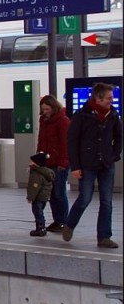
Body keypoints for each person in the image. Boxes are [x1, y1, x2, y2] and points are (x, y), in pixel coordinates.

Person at [62, 83, 122, 249]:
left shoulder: (113, 114)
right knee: (84, 198)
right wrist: (75, 166)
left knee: (107, 202)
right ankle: (69, 225)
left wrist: (114, 154)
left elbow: (119, 135)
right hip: (87, 164)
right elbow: (72, 141)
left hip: (106, 164)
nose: (112, 100)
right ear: (98, 98)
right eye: (109, 98)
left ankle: (104, 237)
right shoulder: (81, 115)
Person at [36, 94, 71, 231]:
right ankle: (57, 220)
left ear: (53, 107)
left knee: (59, 192)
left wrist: (64, 161)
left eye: (47, 109)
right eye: (43, 109)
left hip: (59, 163)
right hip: (47, 162)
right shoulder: (43, 120)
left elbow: (65, 143)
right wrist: (38, 158)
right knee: (51, 193)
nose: (45, 112)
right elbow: (41, 141)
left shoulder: (63, 121)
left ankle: (62, 221)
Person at [25, 154, 55, 236]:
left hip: (38, 197)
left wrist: (30, 197)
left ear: (35, 163)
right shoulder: (46, 172)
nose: (29, 162)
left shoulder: (36, 174)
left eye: (31, 161)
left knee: (37, 212)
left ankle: (40, 228)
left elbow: (34, 187)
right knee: (40, 211)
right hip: (44, 197)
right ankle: (41, 227)